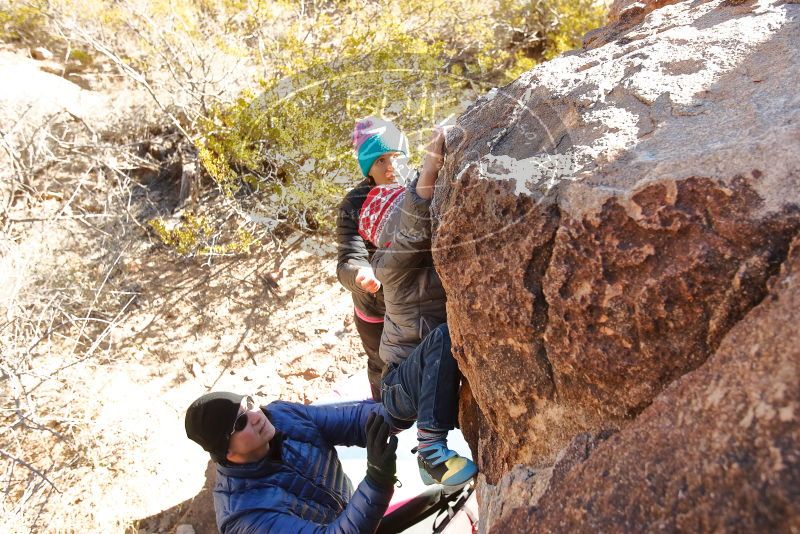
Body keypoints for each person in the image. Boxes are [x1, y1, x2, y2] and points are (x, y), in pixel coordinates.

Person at [358, 124, 477, 487]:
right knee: (444, 337)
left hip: (414, 377)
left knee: (444, 337)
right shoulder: (390, 263)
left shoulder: (415, 253)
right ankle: (430, 451)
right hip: (400, 384)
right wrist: (430, 167)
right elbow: (412, 226)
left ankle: (430, 458)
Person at [184, 393, 397, 533]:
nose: (256, 416)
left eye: (248, 404)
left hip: (359, 515)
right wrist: (377, 480)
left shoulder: (281, 415)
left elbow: (354, 420)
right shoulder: (246, 517)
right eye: (241, 422)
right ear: (226, 450)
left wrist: (404, 406)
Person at [336, 117, 410, 400]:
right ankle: (386, 417)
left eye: (395, 156)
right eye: (380, 160)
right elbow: (348, 257)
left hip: (413, 299)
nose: (391, 166)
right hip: (375, 307)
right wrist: (360, 274)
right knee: (382, 365)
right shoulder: (354, 204)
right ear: (368, 168)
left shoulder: (418, 187)